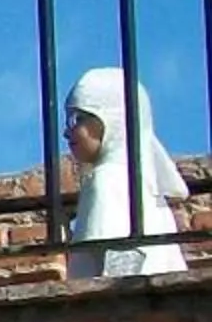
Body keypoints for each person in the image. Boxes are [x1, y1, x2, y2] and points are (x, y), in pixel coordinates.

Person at [64, 66, 192, 278]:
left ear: (112, 120)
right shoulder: (148, 189)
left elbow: (119, 265)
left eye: (78, 119)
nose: (66, 132)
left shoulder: (107, 179)